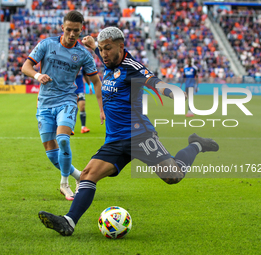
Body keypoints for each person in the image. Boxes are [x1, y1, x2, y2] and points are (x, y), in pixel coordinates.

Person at [37, 27, 219, 236]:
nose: (103, 54)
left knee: (173, 176)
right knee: (87, 175)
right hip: (114, 140)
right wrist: (92, 44)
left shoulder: (132, 67)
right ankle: (69, 222)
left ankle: (196, 143)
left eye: (108, 49)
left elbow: (153, 82)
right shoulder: (109, 59)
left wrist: (171, 91)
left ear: (121, 47)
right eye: (102, 50)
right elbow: (100, 49)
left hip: (139, 136)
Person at [21, 11, 104, 201]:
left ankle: (64, 184)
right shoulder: (46, 44)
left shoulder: (83, 54)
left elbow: (96, 81)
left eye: (76, 30)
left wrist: (101, 108)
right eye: (69, 30)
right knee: (52, 154)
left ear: (81, 29)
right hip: (44, 103)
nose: (72, 34)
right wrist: (37, 76)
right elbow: (26, 66)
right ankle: (80, 176)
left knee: (63, 139)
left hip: (67, 101)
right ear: (62, 28)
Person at [74, 67, 92, 134]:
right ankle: (70, 128)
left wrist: (89, 86)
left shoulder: (82, 65)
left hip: (80, 89)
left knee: (82, 106)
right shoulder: (69, 62)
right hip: (70, 89)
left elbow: (85, 75)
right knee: (72, 108)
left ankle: (83, 127)